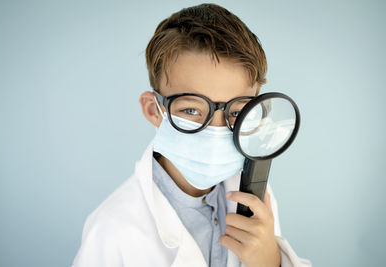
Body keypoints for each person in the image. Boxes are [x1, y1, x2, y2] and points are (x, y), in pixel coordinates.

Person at [72, 3, 311, 267]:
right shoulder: (112, 230)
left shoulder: (256, 199)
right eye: (191, 109)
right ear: (155, 110)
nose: (217, 130)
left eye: (236, 113)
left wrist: (271, 262)